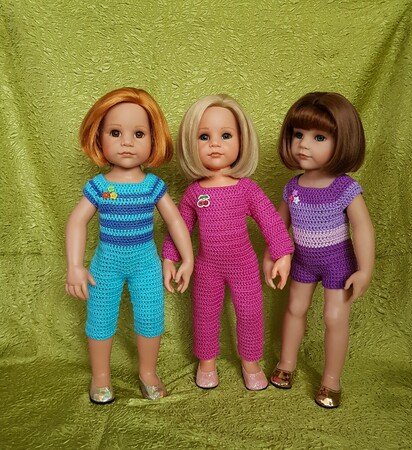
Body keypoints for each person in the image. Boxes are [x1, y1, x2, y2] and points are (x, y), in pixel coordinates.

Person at [65, 87, 193, 404]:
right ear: (99, 138)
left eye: (138, 133)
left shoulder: (152, 185)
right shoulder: (99, 186)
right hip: (105, 264)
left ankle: (148, 372)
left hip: (145, 264)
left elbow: (176, 221)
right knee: (100, 318)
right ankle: (101, 376)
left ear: (153, 139)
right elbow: (77, 221)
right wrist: (75, 266)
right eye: (115, 133)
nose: (126, 142)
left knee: (151, 317)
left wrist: (187, 259)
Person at [162, 94, 293, 390]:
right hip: (207, 266)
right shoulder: (195, 193)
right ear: (190, 144)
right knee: (205, 314)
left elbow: (271, 221)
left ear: (241, 141)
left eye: (225, 135)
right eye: (204, 137)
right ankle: (206, 362)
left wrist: (282, 253)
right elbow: (180, 228)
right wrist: (170, 257)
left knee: (250, 313)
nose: (215, 144)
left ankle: (251, 362)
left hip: (244, 265)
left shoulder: (246, 189)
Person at [265, 92, 375, 408]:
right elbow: (278, 227)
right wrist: (271, 255)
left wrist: (365, 270)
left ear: (342, 142)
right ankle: (286, 364)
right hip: (302, 261)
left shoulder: (344, 187)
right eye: (298, 134)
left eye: (319, 137)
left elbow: (363, 228)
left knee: (334, 317)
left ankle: (331, 380)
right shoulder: (293, 187)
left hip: (338, 262)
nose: (303, 144)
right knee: (295, 308)